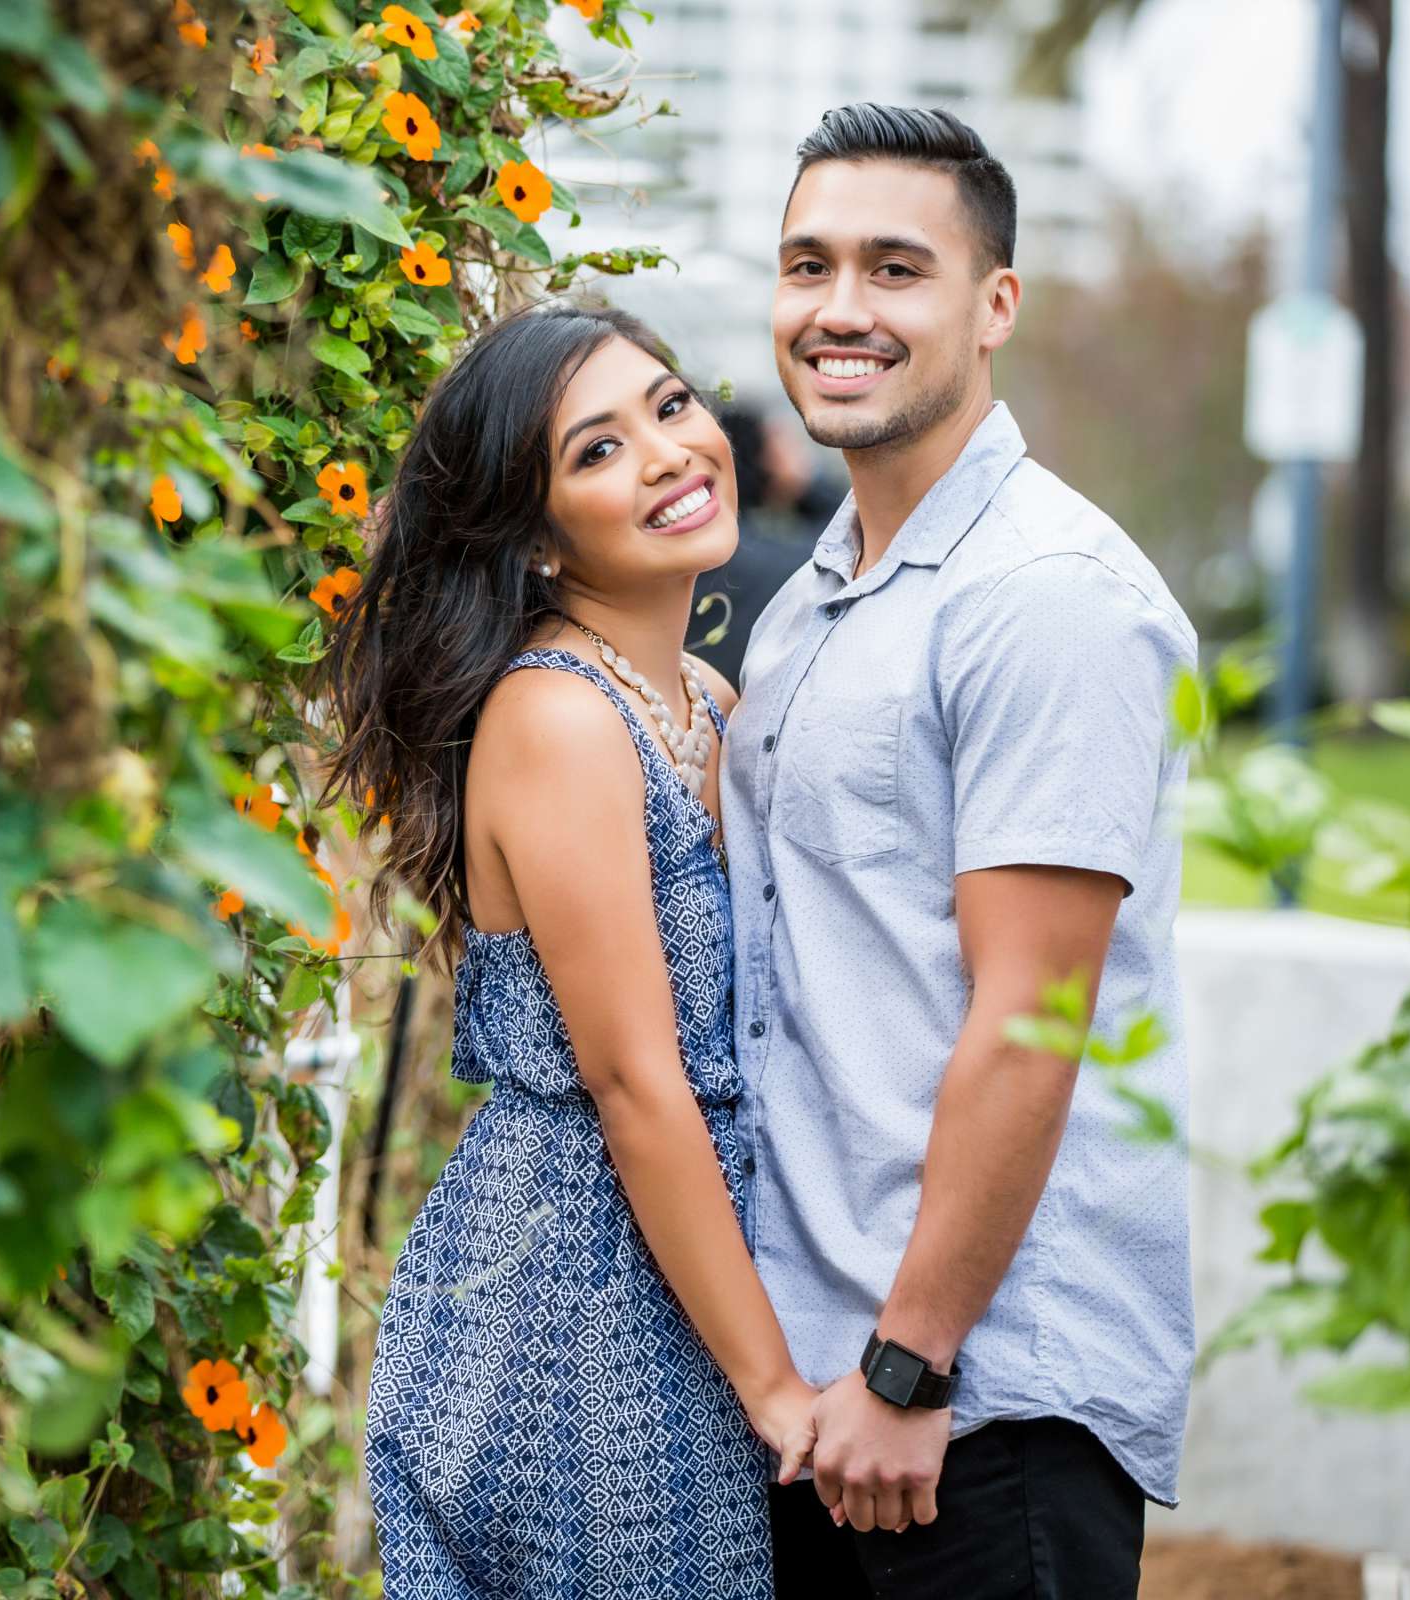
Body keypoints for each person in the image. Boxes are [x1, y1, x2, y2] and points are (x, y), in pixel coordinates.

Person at [724, 103, 1197, 1598]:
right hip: (824, 1388)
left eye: (894, 269)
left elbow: (1027, 1021)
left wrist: (911, 1364)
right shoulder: (814, 601)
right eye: (808, 267)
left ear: (995, 305)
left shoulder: (1047, 596)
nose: (840, 310)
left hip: (978, 1405)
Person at [329, 301, 814, 1597]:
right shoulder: (560, 715)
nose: (666, 453)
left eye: (668, 406)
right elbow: (637, 1082)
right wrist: (775, 1389)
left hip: (693, 1258)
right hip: (580, 1297)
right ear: (538, 539)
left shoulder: (705, 701)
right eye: (598, 450)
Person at [688, 406, 839, 680]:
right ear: (770, 459)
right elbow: (853, 541)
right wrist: (807, 482)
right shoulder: (782, 566)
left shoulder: (682, 557)